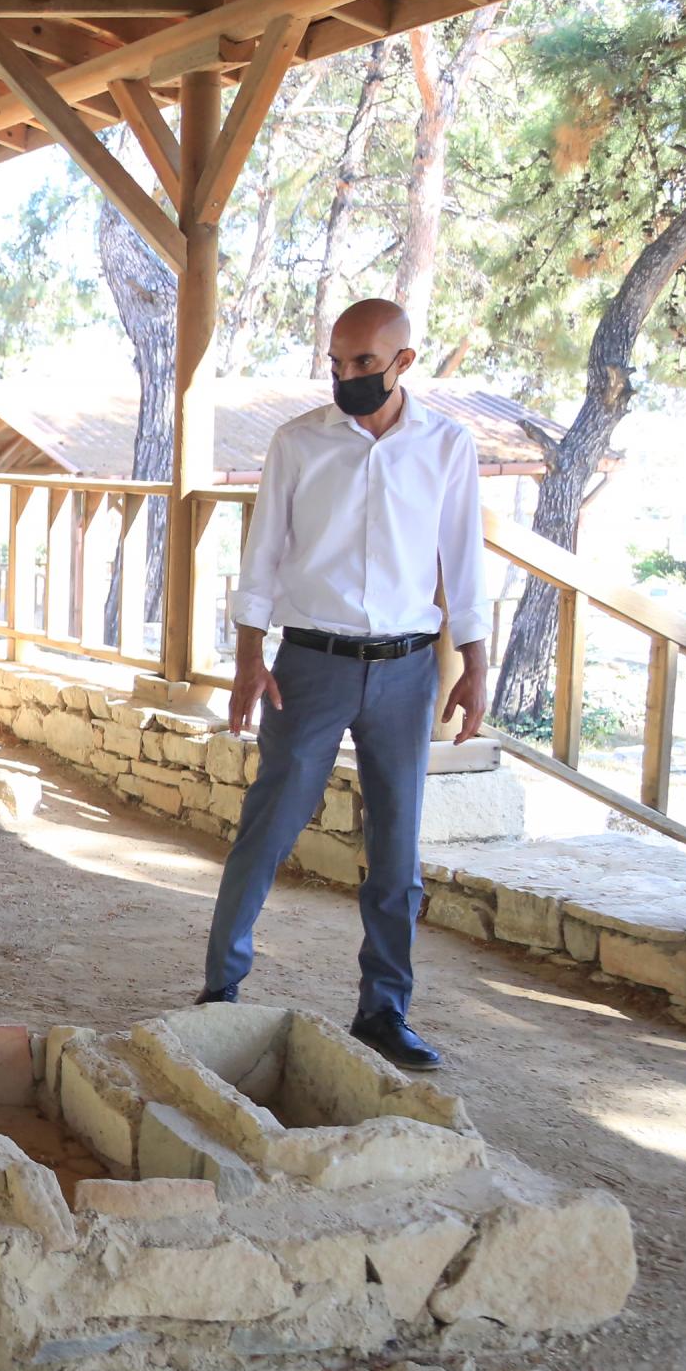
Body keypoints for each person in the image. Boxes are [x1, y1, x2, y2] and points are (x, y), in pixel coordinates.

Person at [200, 298, 487, 1071]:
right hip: (310, 667)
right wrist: (248, 660)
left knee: (397, 850)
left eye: (364, 363)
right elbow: (261, 557)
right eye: (337, 362)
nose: (347, 376)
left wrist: (476, 665)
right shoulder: (298, 444)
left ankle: (384, 1009)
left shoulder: (446, 446)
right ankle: (219, 991)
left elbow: (462, 561)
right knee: (269, 826)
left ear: (404, 363)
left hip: (408, 670)